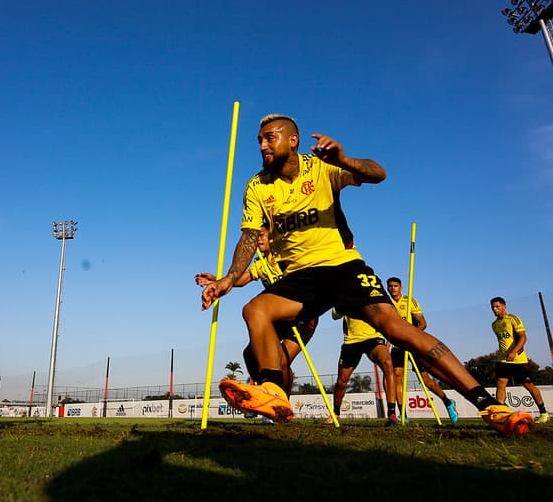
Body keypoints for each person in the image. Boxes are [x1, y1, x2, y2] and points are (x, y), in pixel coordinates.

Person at [201, 113, 532, 435]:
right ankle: (273, 390)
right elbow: (248, 236)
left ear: (292, 140)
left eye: (269, 138)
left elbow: (378, 173)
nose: (262, 145)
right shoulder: (257, 187)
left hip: (343, 266)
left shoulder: (321, 167)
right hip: (300, 278)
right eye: (259, 140)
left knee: (396, 330)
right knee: (254, 310)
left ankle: (488, 405)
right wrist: (228, 278)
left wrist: (344, 159)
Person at [195, 224, 318, 405]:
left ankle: (281, 401)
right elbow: (244, 278)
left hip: (303, 318)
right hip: (279, 319)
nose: (259, 239)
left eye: (262, 235)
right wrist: (218, 279)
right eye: (257, 236)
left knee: (282, 360)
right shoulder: (262, 263)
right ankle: (265, 395)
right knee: (250, 354)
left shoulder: (286, 255)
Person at [386, 277, 458, 424]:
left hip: (413, 345)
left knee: (425, 380)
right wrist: (388, 343)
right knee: (397, 377)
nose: (393, 289)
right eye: (390, 286)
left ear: (401, 287)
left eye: (395, 286)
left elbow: (423, 323)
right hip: (397, 346)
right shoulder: (388, 304)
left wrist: (411, 335)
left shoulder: (409, 301)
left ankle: (448, 402)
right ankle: (403, 415)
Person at [328, 309, 399, 426]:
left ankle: (392, 413)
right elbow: (335, 315)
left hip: (373, 338)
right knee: (342, 381)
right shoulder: (343, 293)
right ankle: (336, 413)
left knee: (387, 363)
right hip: (352, 341)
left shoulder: (371, 291)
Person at [490, 297, 549, 423]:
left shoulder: (513, 319)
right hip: (502, 360)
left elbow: (523, 338)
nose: (495, 310)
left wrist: (513, 352)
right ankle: (501, 414)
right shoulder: (494, 325)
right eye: (493, 307)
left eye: (497, 307)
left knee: (528, 385)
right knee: (500, 384)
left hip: (518, 360)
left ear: (504, 306)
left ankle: (544, 413)